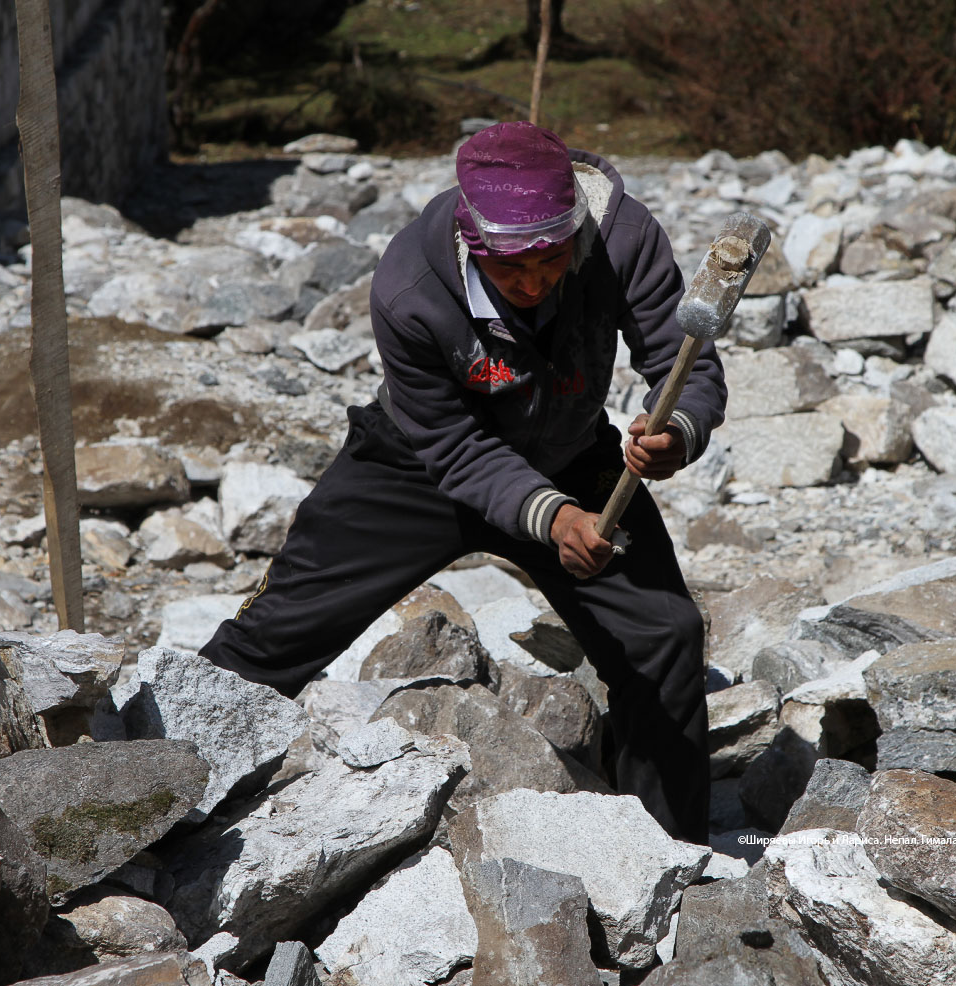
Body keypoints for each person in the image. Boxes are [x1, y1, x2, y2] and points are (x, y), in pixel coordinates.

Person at [201, 121, 726, 844]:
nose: (536, 284)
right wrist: (553, 519)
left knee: (663, 634)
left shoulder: (623, 238)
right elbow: (453, 445)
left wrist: (680, 430)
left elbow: (682, 357)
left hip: (571, 451)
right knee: (274, 636)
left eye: (551, 259)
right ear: (472, 243)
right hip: (417, 461)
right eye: (514, 270)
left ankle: (668, 858)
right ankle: (161, 781)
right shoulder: (410, 284)